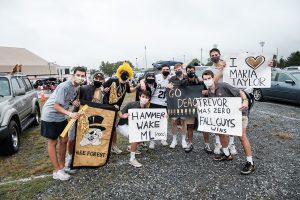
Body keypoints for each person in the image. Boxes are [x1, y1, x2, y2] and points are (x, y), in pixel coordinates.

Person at [202, 70, 255, 175]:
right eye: (205, 79)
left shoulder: (223, 85)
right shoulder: (209, 93)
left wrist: (245, 100)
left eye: (209, 78)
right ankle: (227, 154)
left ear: (213, 78)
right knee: (221, 132)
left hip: (239, 113)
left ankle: (250, 162)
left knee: (241, 136)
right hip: (225, 116)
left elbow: (240, 92)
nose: (207, 81)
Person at [40, 67, 86, 181]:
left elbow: (66, 99)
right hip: (50, 116)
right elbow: (56, 105)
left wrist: (72, 101)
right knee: (52, 142)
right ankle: (57, 171)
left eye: (82, 76)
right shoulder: (64, 86)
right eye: (78, 75)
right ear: (73, 75)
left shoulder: (76, 87)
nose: (80, 77)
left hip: (61, 116)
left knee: (64, 139)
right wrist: (70, 114)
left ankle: (62, 167)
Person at [65, 72, 106, 169]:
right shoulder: (83, 88)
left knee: (89, 138)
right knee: (72, 137)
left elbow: (106, 104)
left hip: (92, 119)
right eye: (96, 78)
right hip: (78, 116)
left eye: (100, 79)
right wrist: (72, 101)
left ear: (103, 81)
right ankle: (70, 157)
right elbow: (71, 97)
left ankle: (86, 157)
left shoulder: (104, 92)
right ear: (93, 79)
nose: (98, 80)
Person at [205, 48, 237, 155]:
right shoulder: (210, 69)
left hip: (230, 96)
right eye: (212, 55)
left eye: (216, 54)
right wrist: (220, 70)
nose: (214, 56)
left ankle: (232, 144)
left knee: (230, 121)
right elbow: (212, 81)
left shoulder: (229, 64)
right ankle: (218, 143)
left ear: (219, 54)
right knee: (218, 122)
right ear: (210, 57)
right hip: (216, 98)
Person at [103, 62, 138, 154]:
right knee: (105, 128)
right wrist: (104, 90)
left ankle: (114, 146)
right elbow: (101, 89)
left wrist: (138, 86)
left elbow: (130, 90)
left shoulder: (126, 85)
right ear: (119, 72)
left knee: (113, 128)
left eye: (127, 72)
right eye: (123, 71)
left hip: (116, 110)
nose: (124, 73)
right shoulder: (111, 80)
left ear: (129, 75)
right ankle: (104, 147)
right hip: (106, 108)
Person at [117, 90, 151, 167]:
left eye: (146, 97)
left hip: (133, 127)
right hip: (123, 125)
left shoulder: (146, 108)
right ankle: (132, 159)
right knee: (135, 136)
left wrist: (163, 116)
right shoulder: (131, 104)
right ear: (139, 97)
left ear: (149, 99)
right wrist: (122, 116)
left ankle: (130, 147)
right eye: (143, 97)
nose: (144, 99)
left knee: (145, 134)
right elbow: (119, 112)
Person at [141, 64, 171, 149]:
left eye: (167, 69)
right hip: (154, 102)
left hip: (165, 103)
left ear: (169, 70)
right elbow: (143, 80)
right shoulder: (156, 77)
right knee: (153, 122)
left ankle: (162, 138)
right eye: (164, 69)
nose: (165, 70)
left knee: (163, 122)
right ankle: (152, 141)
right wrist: (142, 83)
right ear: (161, 70)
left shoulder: (171, 78)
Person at [167, 63, 188, 149]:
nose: (177, 71)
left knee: (183, 121)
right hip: (174, 103)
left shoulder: (187, 77)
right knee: (174, 122)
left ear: (182, 69)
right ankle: (174, 139)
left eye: (178, 69)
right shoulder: (172, 78)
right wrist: (168, 87)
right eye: (175, 70)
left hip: (184, 103)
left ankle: (183, 140)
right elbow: (168, 90)